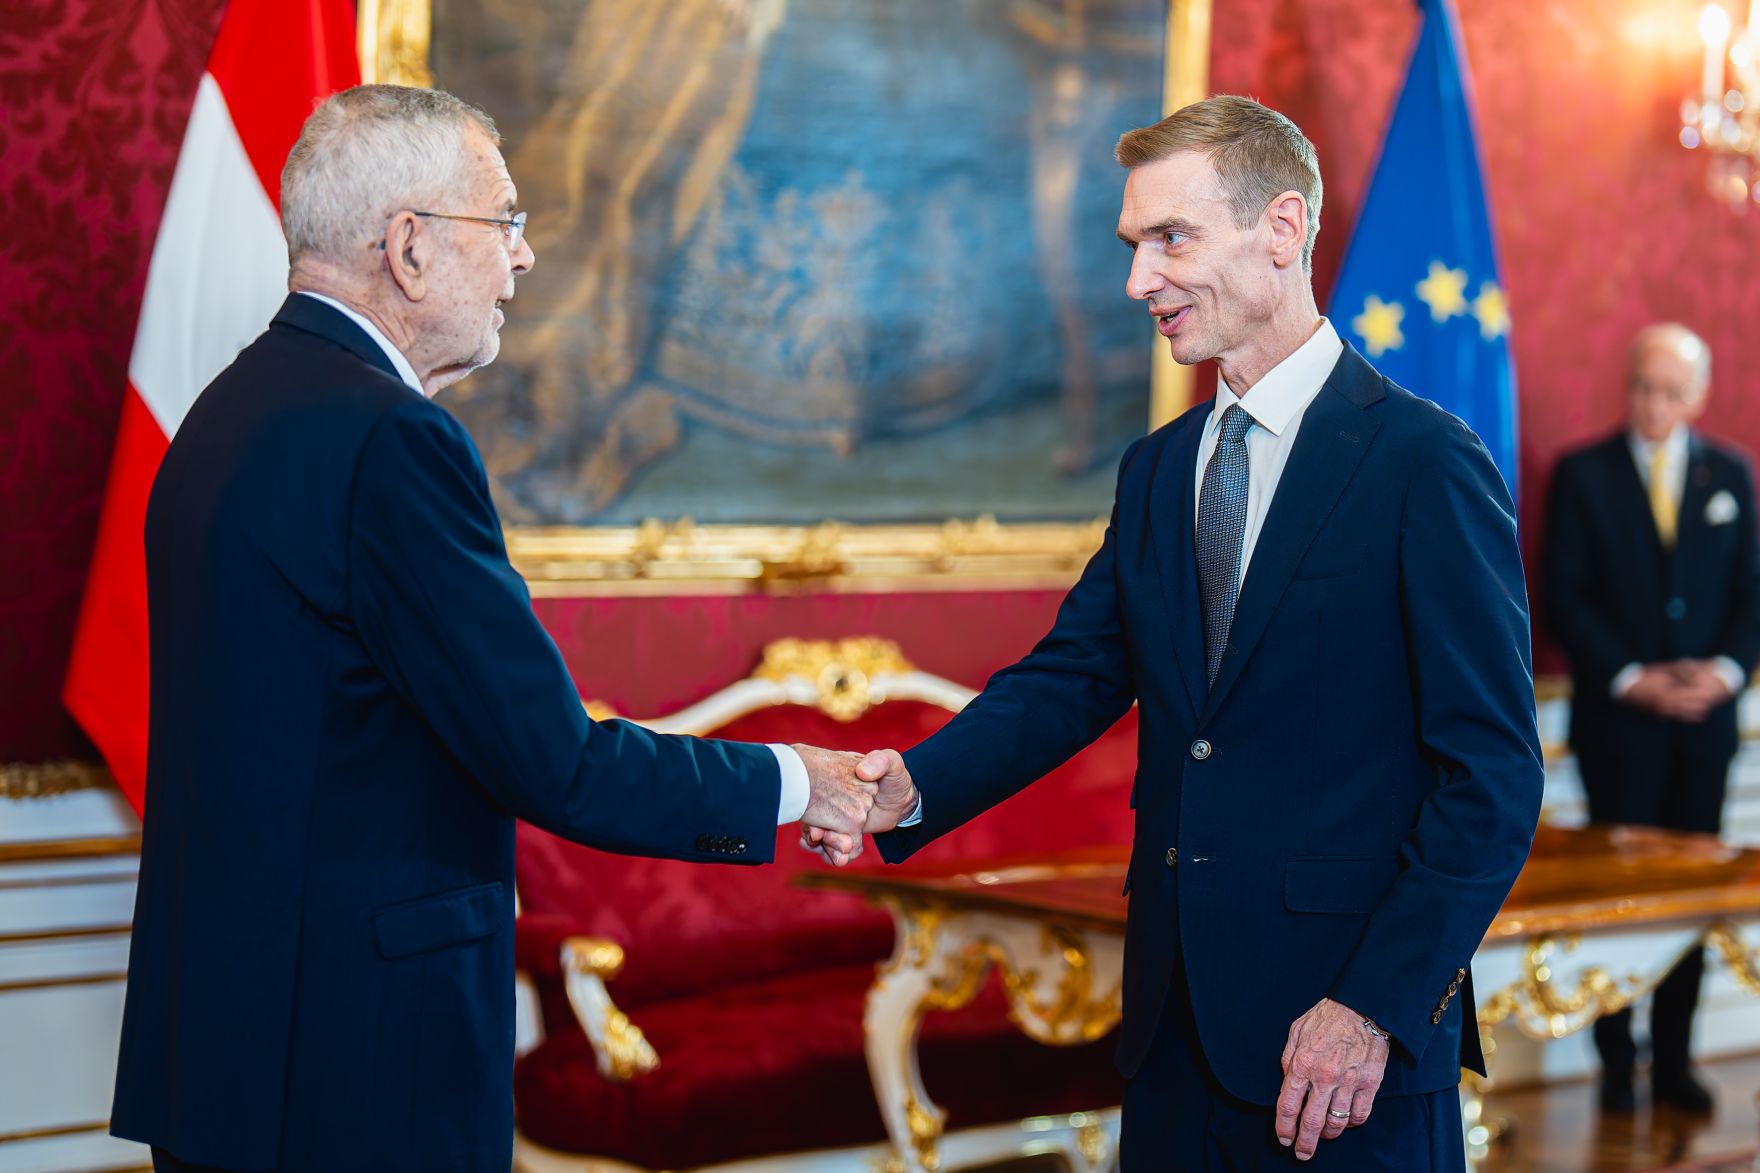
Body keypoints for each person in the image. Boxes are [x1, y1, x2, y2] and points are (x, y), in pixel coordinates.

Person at [110, 85, 876, 1173]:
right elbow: (555, 764)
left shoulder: (228, 412)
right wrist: (796, 783)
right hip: (357, 1066)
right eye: (504, 221)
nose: (522, 259)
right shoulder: (391, 442)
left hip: (229, 1050)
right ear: (409, 247)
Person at [830, 95, 1544, 1169]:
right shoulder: (1157, 468)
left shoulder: (1423, 464)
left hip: (1343, 1054)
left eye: (1169, 239)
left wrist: (1368, 1006)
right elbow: (1072, 675)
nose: (1136, 282)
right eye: (1130, 247)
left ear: (1281, 230)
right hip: (1169, 1035)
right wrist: (915, 785)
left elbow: (1489, 778)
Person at [1543, 323, 1760, 1114]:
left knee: (1689, 895)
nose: (1654, 403)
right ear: (1627, 384)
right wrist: (1634, 677)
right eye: (1644, 386)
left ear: (1698, 395)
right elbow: (1564, 594)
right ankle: (1613, 1063)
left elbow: (1752, 595)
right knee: (1619, 893)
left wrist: (1725, 673)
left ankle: (1673, 1061)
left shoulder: (1731, 472)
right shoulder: (1583, 475)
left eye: (1672, 391)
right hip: (1620, 727)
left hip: (1704, 727)